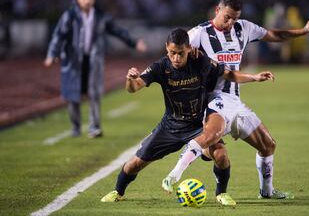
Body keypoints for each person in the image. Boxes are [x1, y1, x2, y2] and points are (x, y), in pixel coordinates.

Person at [162, 0, 309, 199]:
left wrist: (304, 31)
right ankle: (174, 174)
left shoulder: (243, 28)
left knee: (268, 145)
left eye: (235, 18)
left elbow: (274, 35)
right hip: (212, 101)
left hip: (234, 101)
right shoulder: (199, 33)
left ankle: (267, 192)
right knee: (213, 142)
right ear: (217, 10)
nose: (231, 22)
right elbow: (175, 54)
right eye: (227, 17)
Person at [100, 28, 275, 204]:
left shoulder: (200, 61)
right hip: (170, 126)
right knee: (134, 164)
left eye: (181, 53)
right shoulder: (159, 67)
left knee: (221, 155)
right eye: (172, 53)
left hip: (199, 124)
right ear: (166, 48)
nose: (176, 58)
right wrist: (130, 79)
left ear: (189, 49)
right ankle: (117, 191)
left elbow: (227, 73)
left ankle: (221, 194)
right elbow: (134, 87)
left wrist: (254, 77)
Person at [44, 0, 147, 138]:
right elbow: (59, 35)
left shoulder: (100, 16)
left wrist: (133, 43)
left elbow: (117, 30)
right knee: (73, 94)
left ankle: (94, 127)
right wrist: (52, 54)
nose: (88, 0)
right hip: (74, 61)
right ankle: (75, 127)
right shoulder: (70, 15)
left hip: (94, 60)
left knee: (94, 93)